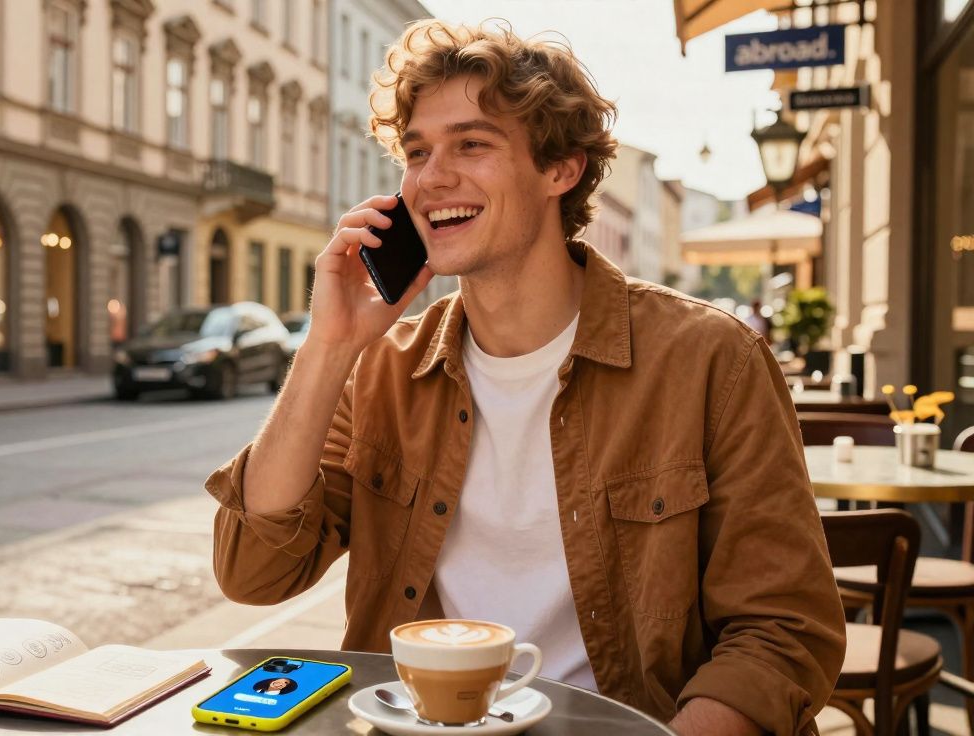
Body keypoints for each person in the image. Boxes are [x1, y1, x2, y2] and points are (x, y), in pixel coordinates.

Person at [204, 20, 845, 736]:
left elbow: (783, 629)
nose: (430, 178)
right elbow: (253, 573)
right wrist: (329, 347)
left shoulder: (709, 360)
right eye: (416, 152)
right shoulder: (384, 365)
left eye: (471, 144)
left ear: (559, 170)